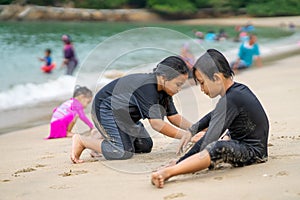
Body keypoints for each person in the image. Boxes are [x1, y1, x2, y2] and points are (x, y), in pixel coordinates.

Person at [151, 49, 269, 188]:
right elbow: (214, 114)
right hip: (247, 141)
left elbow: (210, 138)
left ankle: (170, 172)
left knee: (217, 147)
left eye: (202, 83)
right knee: (225, 137)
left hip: (253, 152)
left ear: (217, 78)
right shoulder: (237, 91)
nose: (201, 89)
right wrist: (192, 130)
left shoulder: (231, 99)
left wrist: (180, 161)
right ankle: (186, 163)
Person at [71, 56, 193, 163]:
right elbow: (157, 124)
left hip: (126, 118)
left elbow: (174, 117)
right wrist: (186, 136)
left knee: (144, 146)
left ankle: (100, 137)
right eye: (178, 84)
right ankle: (83, 141)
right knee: (122, 152)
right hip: (106, 110)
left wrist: (196, 129)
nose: (180, 88)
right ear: (163, 78)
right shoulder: (148, 87)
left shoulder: (165, 91)